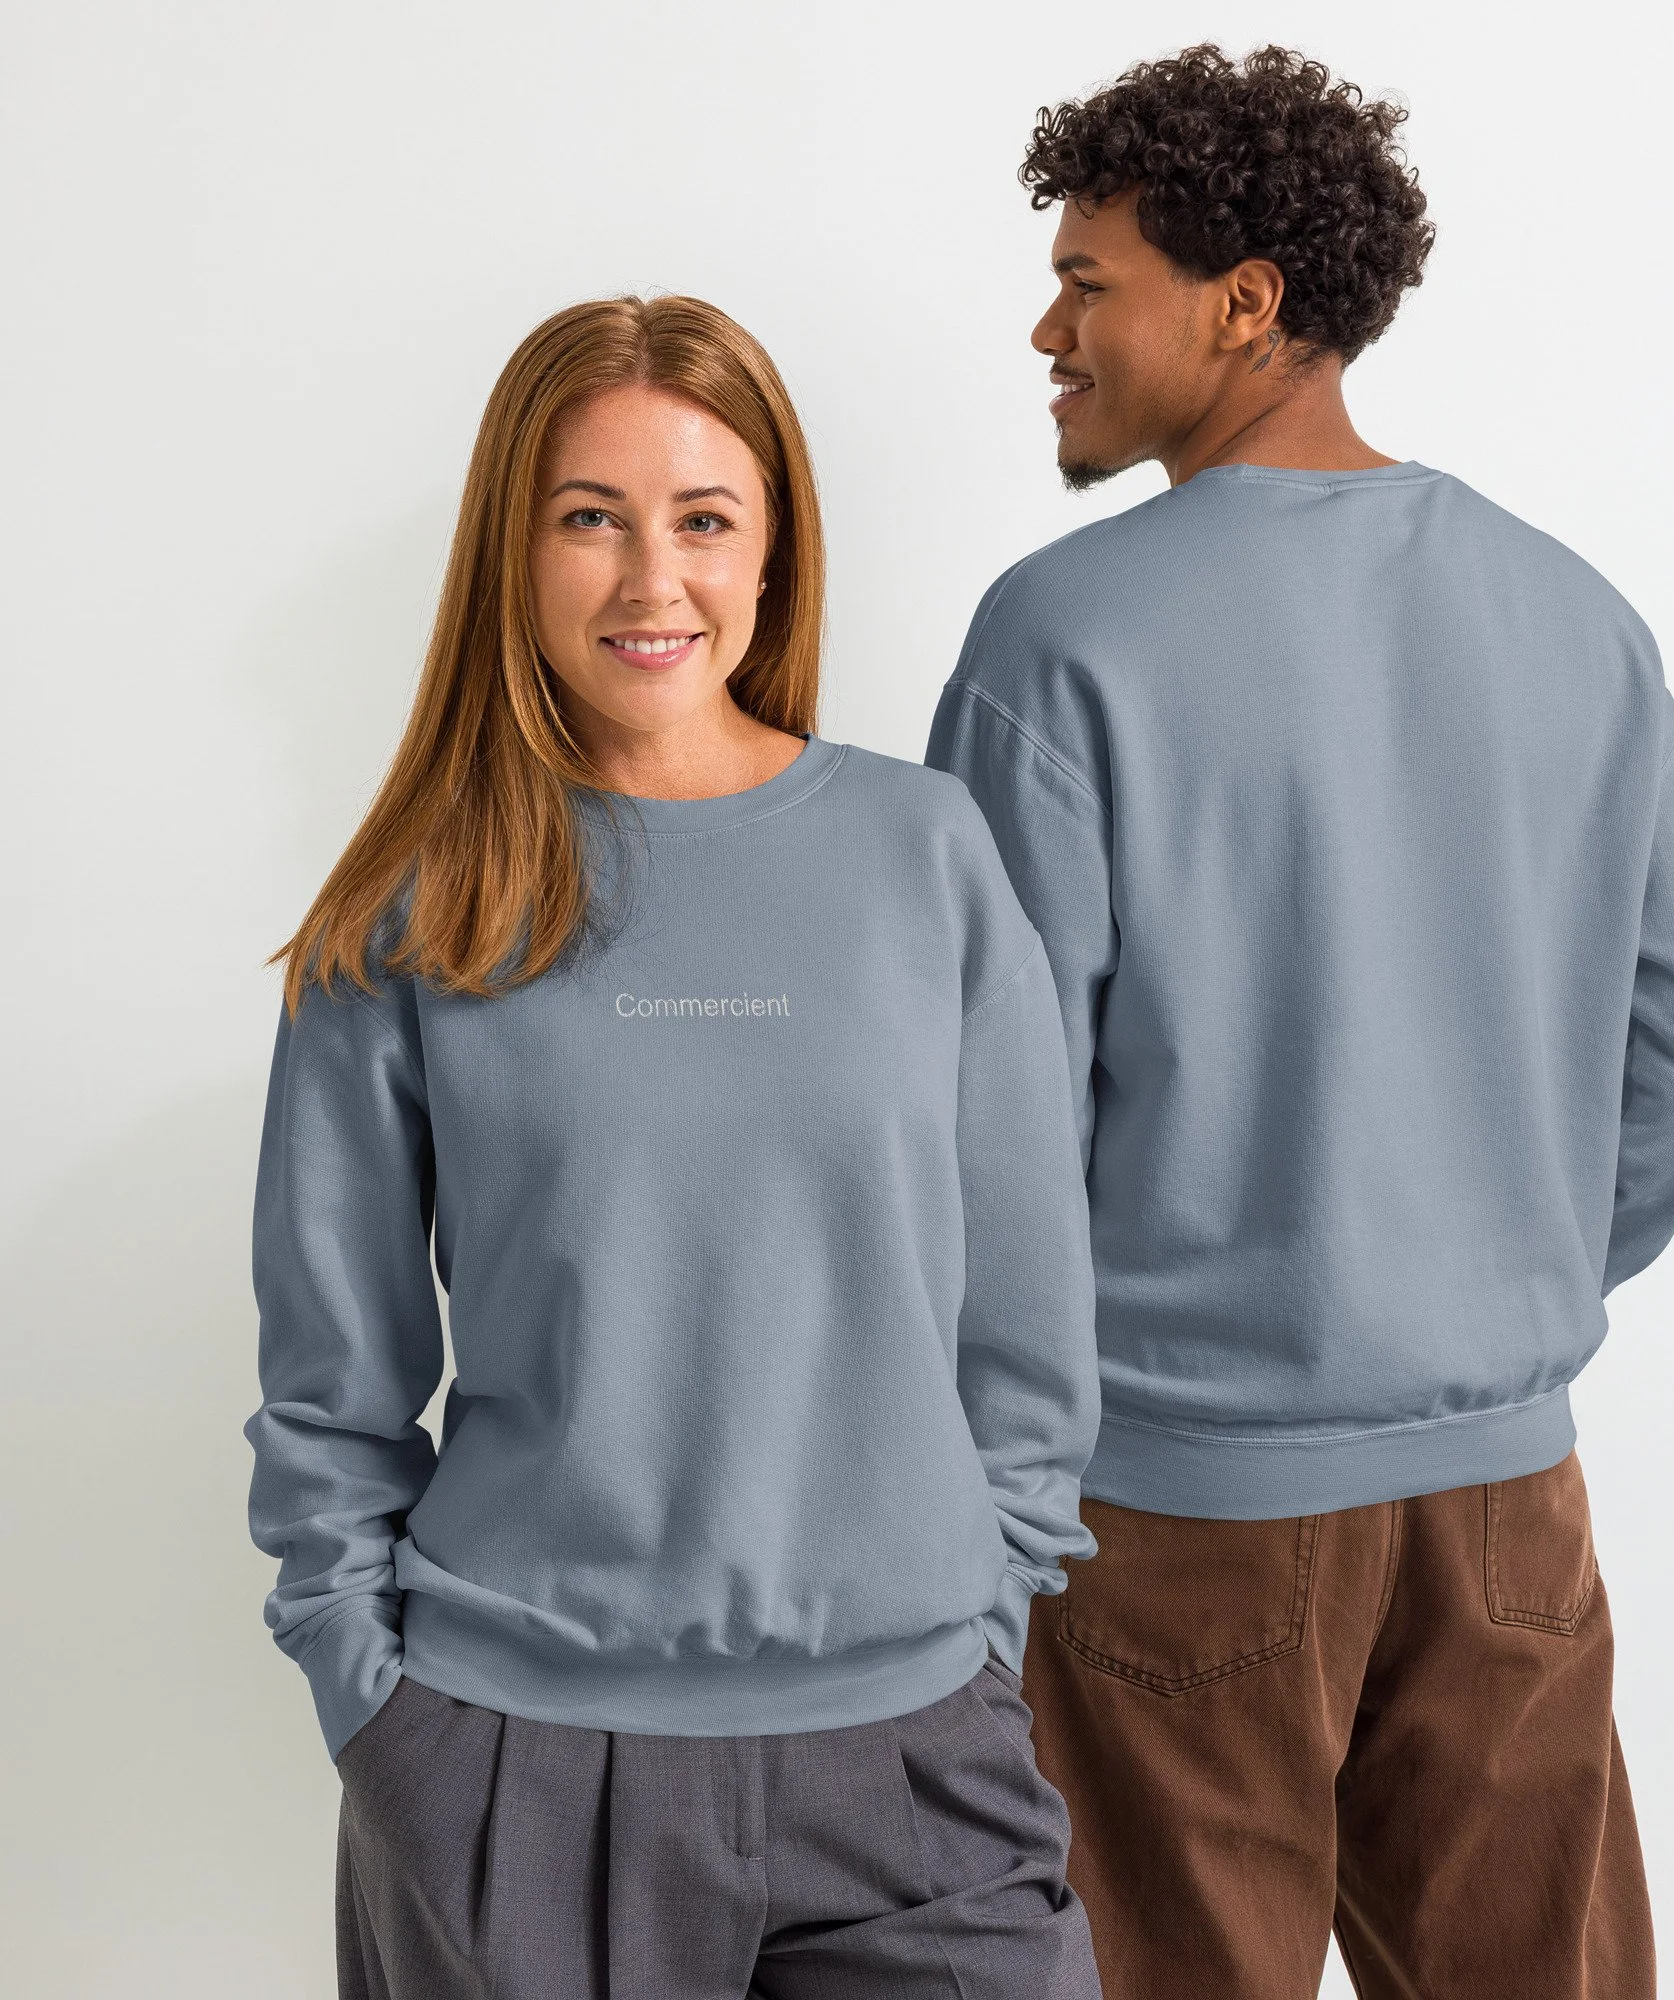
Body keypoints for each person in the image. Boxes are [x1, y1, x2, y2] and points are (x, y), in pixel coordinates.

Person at [926, 45, 1674, 2000]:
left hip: (1174, 1502)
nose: (1048, 332)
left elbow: (980, 1118)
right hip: (1507, 1502)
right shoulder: (1572, 614)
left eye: (1088, 283)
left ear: (1245, 302)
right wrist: (1481, 1284)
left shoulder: (1064, 636)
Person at [246, 294, 1103, 2000]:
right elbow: (330, 1388)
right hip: (514, 1767)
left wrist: (984, 1624)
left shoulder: (925, 853)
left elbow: (1026, 1325)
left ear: (773, 551)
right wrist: (383, 1713)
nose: (654, 580)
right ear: (514, 550)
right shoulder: (417, 904)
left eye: (705, 520)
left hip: (916, 1756)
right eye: (592, 519)